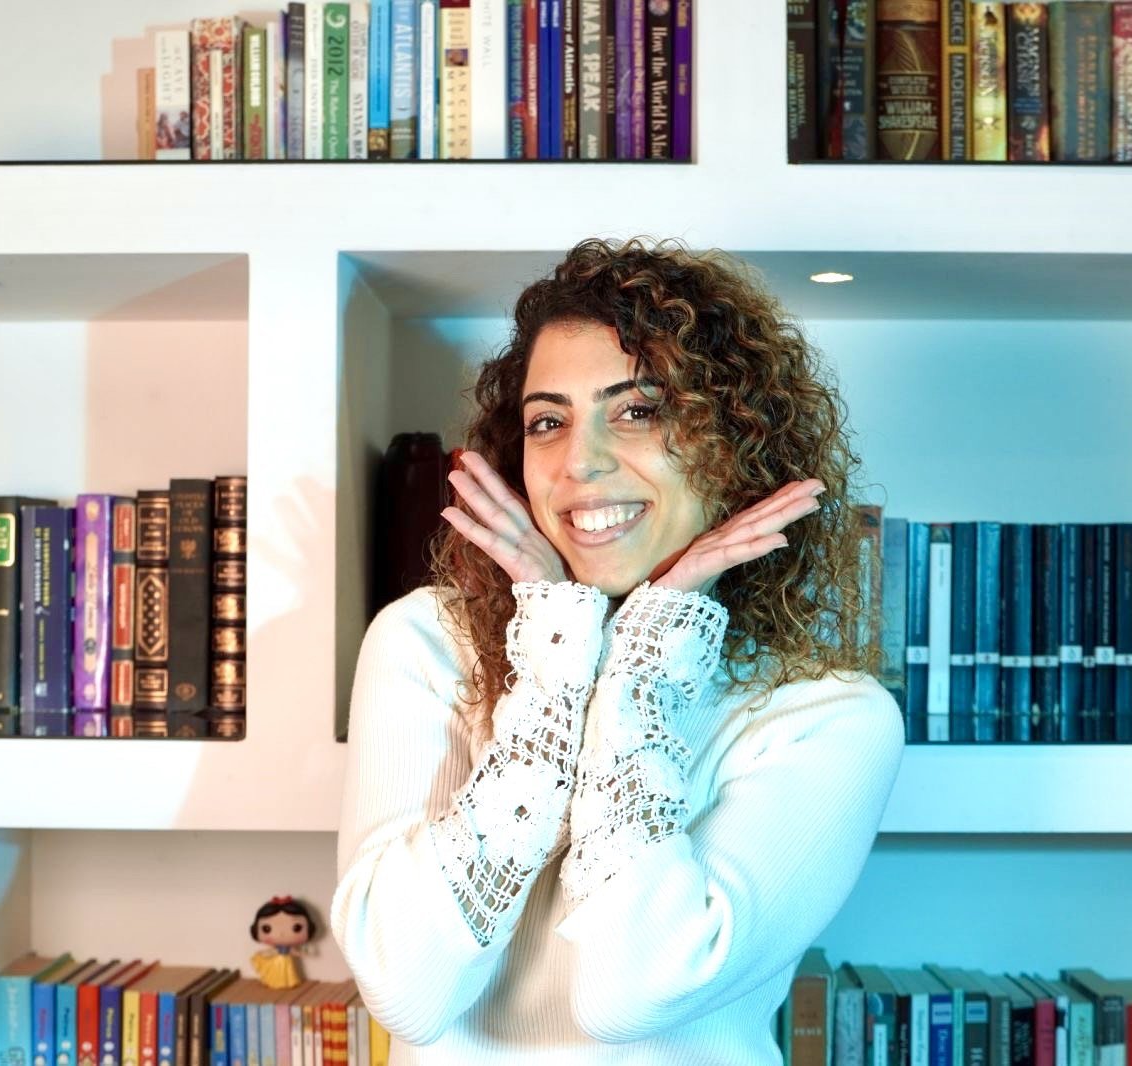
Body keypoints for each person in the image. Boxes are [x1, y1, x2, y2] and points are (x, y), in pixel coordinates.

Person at [332, 237, 905, 1063]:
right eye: (548, 421)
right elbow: (406, 993)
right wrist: (555, 660)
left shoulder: (830, 715)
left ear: (737, 444)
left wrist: (644, 659)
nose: (580, 462)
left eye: (639, 410)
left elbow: (632, 993)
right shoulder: (426, 641)